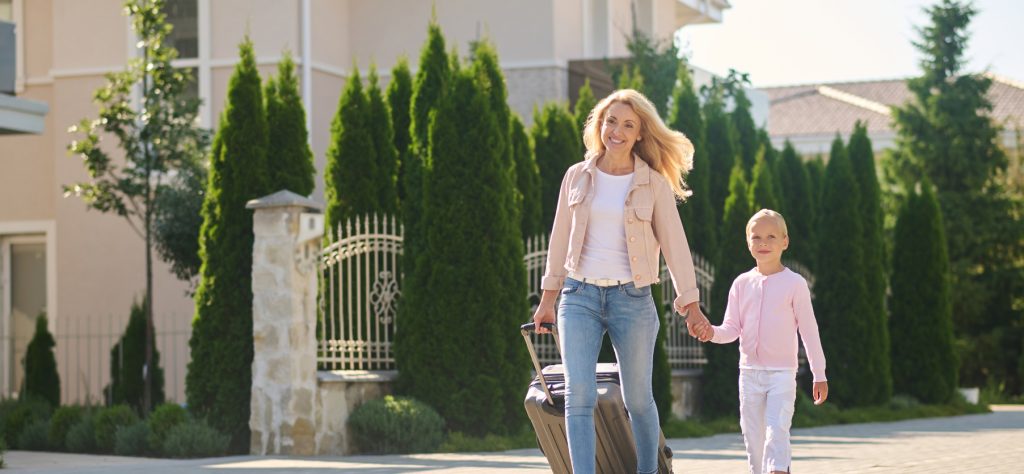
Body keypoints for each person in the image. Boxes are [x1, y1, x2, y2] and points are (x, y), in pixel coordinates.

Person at [531, 89, 712, 474]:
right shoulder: (576, 176)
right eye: (611, 121)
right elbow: (559, 237)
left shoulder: (653, 184)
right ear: (600, 124)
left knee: (638, 399)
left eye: (628, 124)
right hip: (578, 295)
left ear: (640, 134)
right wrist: (548, 299)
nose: (617, 130)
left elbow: (675, 245)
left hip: (632, 298)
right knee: (578, 396)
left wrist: (690, 303)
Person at [699, 209, 828, 474]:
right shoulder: (741, 284)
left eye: (771, 236)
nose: (763, 243)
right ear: (748, 243)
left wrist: (819, 373)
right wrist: (710, 332)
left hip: (782, 375)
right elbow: (731, 329)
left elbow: (809, 331)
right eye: (756, 237)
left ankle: (779, 469)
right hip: (749, 375)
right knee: (753, 441)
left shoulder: (795, 284)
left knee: (776, 433)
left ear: (785, 241)